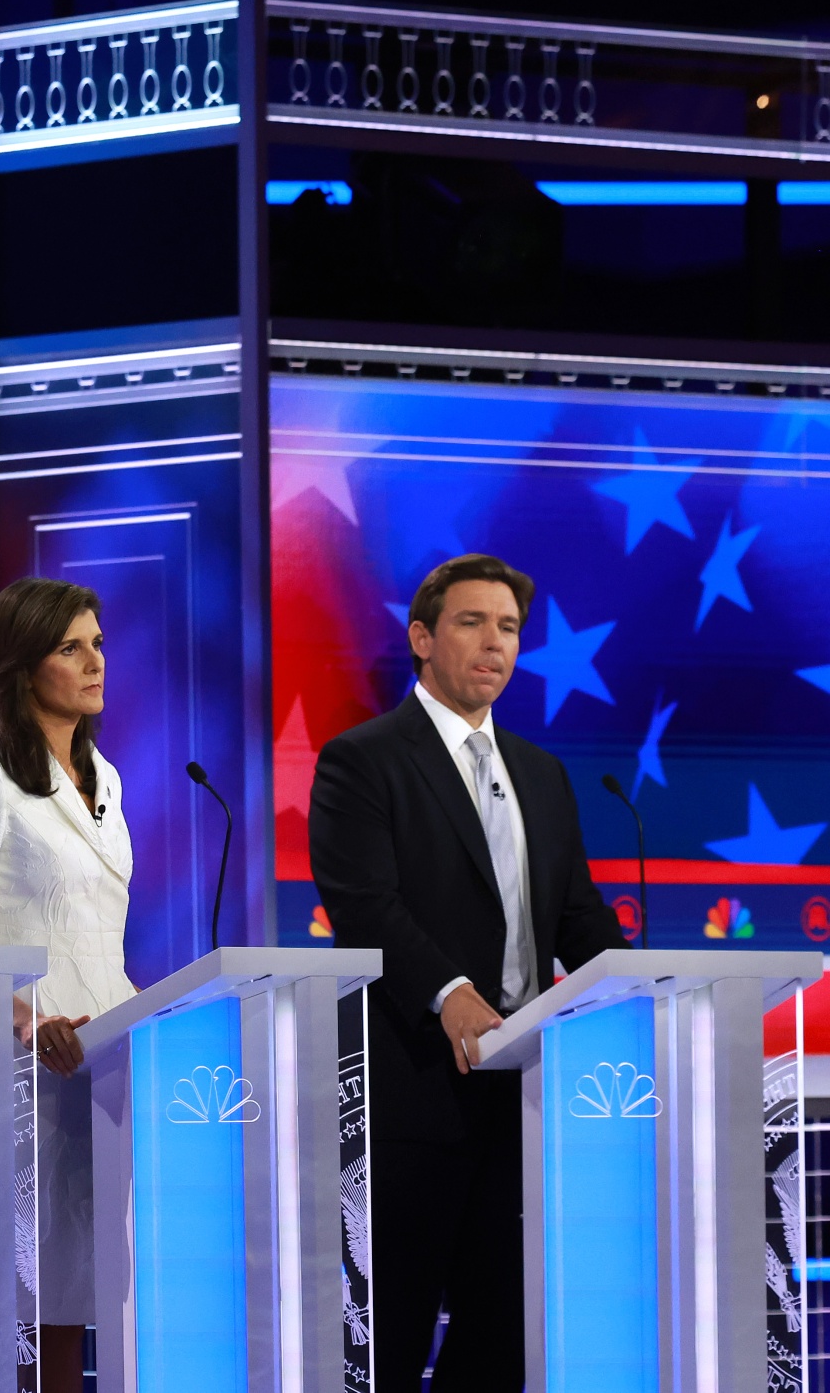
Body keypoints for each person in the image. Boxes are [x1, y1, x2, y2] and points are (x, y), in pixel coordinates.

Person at [308, 554, 626, 1393]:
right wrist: (449, 992)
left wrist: (648, 992)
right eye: (472, 622)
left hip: (524, 1094)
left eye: (510, 628)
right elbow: (366, 905)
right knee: (394, 1327)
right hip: (413, 1086)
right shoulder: (362, 759)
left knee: (504, 1332)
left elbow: (577, 916)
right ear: (421, 637)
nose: (495, 643)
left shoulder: (542, 773)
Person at [0, 577, 136, 1393]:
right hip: (30, 1081)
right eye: (70, 647)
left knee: (91, 1296)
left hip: (110, 1071)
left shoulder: (105, 777)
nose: (94, 661)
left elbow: (97, 935)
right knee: (37, 1311)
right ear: (23, 664)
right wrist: (27, 1016)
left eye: (98, 643)